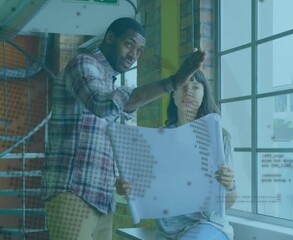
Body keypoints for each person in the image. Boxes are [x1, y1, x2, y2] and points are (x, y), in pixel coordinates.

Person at [41, 17, 205, 240]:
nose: (133, 55)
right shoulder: (82, 64)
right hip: (74, 191)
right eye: (129, 44)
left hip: (101, 198)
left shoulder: (109, 82)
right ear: (109, 37)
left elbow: (120, 123)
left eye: (139, 51)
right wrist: (174, 81)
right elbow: (102, 104)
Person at [116, 70, 237, 240]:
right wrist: (128, 189)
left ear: (204, 95)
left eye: (196, 87)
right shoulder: (157, 141)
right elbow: (146, 192)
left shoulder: (219, 138)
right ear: (173, 95)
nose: (188, 92)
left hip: (208, 226)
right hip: (166, 232)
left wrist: (230, 185)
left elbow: (230, 201)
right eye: (183, 86)